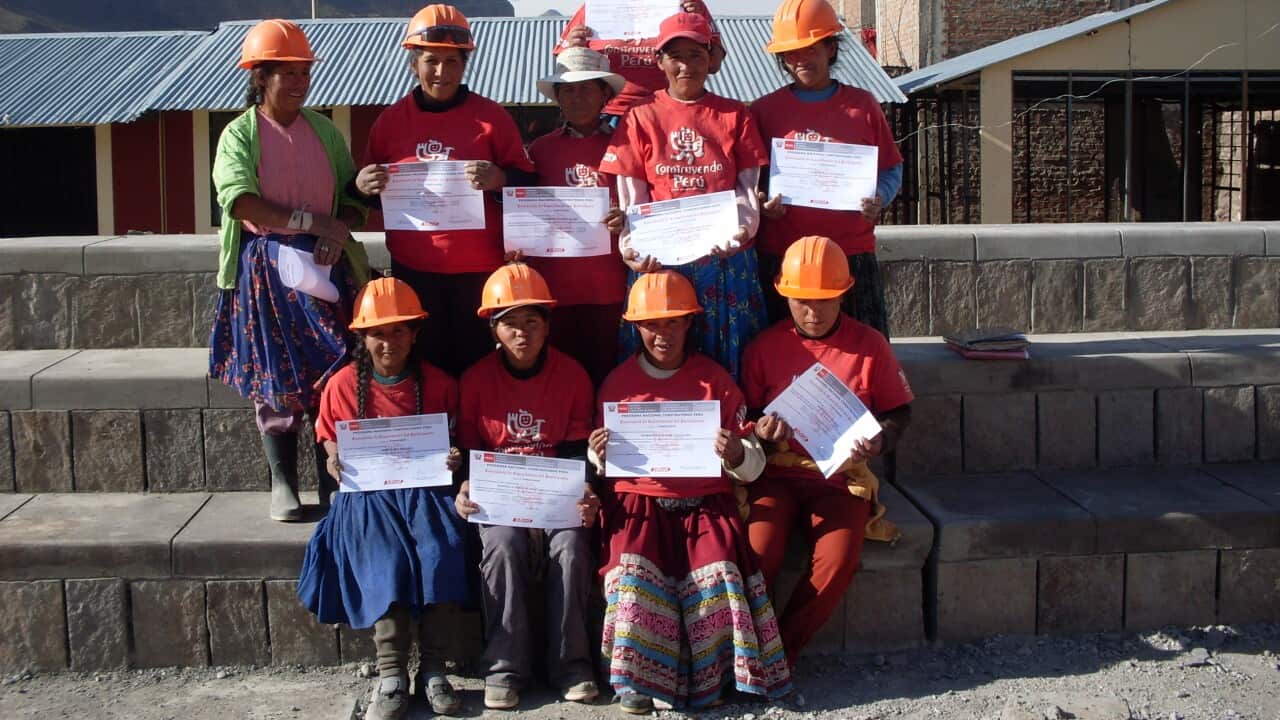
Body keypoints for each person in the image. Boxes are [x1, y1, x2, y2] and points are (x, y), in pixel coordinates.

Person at [590, 270, 793, 714]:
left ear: (690, 323)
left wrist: (737, 452)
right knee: (632, 578)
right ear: (635, 328)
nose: (662, 334)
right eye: (651, 324)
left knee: (719, 572)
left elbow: (753, 466)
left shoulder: (715, 380)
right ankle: (635, 680)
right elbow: (605, 471)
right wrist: (597, 454)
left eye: (672, 322)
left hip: (705, 505)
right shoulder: (618, 384)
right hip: (639, 505)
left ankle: (714, 674)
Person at [208, 19, 371, 522]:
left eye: (304, 72)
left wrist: (336, 229)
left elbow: (351, 197)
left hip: (325, 267)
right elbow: (240, 201)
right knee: (276, 375)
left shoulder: (324, 130)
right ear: (260, 76)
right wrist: (310, 222)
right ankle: (283, 482)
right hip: (268, 269)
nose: (299, 82)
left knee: (337, 368)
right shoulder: (239, 135)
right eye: (287, 73)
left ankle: (333, 477)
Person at [297, 277, 470, 720]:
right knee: (384, 555)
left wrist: (451, 457)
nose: (389, 342)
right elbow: (329, 440)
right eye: (378, 332)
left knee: (442, 548)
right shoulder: (340, 386)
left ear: (415, 333)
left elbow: (453, 442)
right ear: (362, 336)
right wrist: (334, 460)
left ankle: (432, 669)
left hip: (424, 491)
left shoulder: (439, 383)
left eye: (399, 331)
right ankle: (391, 672)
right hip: (367, 495)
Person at [740, 236, 913, 668]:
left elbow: (898, 412)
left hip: (840, 476)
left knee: (838, 559)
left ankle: (780, 652)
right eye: (801, 301)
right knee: (757, 552)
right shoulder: (763, 347)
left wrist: (880, 440)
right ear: (785, 296)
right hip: (777, 474)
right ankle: (743, 648)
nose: (812, 312)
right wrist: (761, 429)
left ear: (843, 294)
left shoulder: (870, 345)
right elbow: (748, 415)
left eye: (824, 300)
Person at [353, 4, 537, 378]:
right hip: (415, 271)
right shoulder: (389, 123)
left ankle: (471, 436)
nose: (441, 72)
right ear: (413, 62)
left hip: (480, 272)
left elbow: (528, 182)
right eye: (431, 61)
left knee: (479, 366)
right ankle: (438, 438)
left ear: (464, 64)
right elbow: (373, 192)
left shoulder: (492, 118)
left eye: (452, 62)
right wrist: (361, 184)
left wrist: (499, 179)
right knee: (425, 366)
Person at [453, 263, 601, 711]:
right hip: (500, 500)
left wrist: (588, 491)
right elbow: (472, 457)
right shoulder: (475, 381)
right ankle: (504, 667)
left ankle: (571, 665)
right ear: (493, 330)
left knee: (572, 547)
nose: (522, 334)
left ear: (548, 326)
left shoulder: (573, 376)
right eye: (510, 324)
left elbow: (577, 454)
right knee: (501, 545)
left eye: (532, 323)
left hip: (555, 500)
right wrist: (464, 490)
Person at [599, 12, 770, 379]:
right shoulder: (639, 117)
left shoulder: (735, 115)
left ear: (711, 59)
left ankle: (734, 426)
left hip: (723, 261)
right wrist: (633, 247)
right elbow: (632, 196)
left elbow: (747, 190)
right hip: (661, 261)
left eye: (695, 55)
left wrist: (738, 231)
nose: (685, 65)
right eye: (675, 56)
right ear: (659, 61)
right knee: (662, 358)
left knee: (727, 355)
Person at [751, 0, 904, 337]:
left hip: (850, 253)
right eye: (791, 53)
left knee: (861, 354)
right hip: (784, 255)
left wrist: (879, 196)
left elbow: (892, 169)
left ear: (831, 48)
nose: (801, 59)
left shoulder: (863, 106)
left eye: (811, 48)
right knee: (785, 359)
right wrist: (762, 204)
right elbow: (752, 178)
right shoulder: (764, 111)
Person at [523, 47, 628, 386]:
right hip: (553, 290)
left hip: (609, 289)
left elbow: (645, 202)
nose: (576, 96)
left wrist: (627, 217)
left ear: (605, 95)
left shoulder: (626, 147)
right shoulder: (539, 151)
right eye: (568, 89)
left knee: (607, 377)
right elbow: (522, 210)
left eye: (586, 87)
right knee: (557, 379)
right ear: (557, 97)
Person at [555, 1, 725, 119]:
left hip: (671, 112)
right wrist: (573, 47)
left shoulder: (688, 4)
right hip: (610, 115)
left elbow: (714, 64)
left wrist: (698, 26)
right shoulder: (596, 7)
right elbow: (563, 64)